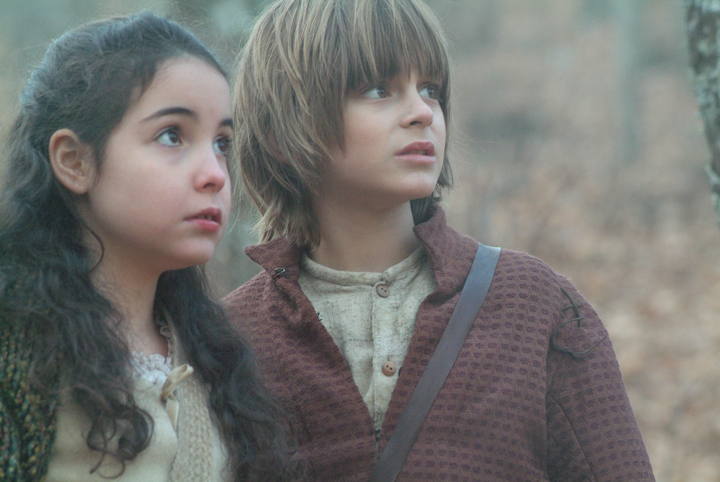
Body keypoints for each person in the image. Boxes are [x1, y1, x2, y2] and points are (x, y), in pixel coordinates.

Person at [225, 0, 656, 480]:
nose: (421, 113)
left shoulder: (534, 305)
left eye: (430, 90)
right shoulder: (229, 338)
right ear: (283, 130)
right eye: (378, 90)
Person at [0, 12, 293, 481]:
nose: (215, 174)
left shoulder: (219, 359)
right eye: (172, 135)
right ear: (75, 162)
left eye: (222, 143)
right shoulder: (16, 347)